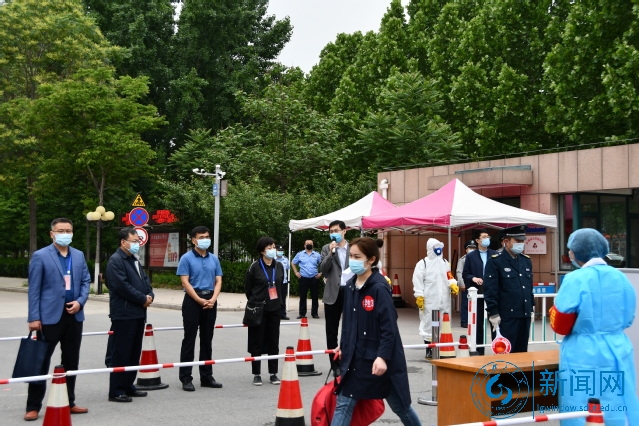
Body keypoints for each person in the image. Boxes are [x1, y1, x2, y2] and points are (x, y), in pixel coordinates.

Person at [551, 228, 639, 425]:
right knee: (618, 402)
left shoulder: (574, 279)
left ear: (576, 252)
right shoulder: (621, 278)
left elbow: (561, 324)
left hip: (582, 352)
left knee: (581, 406)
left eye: (570, 249)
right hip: (618, 347)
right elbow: (629, 318)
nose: (569, 253)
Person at [332, 237, 421, 426]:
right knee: (343, 404)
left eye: (357, 257)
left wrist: (382, 357)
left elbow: (389, 328)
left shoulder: (379, 288)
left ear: (371, 259)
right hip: (356, 359)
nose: (353, 260)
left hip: (379, 360)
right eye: (351, 256)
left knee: (401, 407)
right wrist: (343, 346)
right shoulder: (350, 286)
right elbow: (348, 322)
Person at [24, 218, 91, 421]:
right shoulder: (41, 256)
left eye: (68, 230)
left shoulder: (78, 255)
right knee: (41, 361)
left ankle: (69, 401)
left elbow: (86, 281)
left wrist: (80, 301)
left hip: (74, 315)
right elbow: (34, 289)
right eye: (61, 230)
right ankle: (33, 406)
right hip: (48, 317)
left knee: (71, 360)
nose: (65, 234)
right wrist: (34, 317)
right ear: (52, 234)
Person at [106, 227, 154, 402]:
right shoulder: (116, 260)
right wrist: (142, 299)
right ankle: (117, 390)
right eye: (134, 241)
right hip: (124, 313)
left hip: (138, 313)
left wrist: (150, 294)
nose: (137, 244)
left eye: (138, 241)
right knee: (121, 353)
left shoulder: (134, 259)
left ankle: (128, 385)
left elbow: (145, 281)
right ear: (123, 242)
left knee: (134, 352)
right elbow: (122, 286)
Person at [176, 226, 223, 392]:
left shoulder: (214, 259)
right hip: (193, 300)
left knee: (207, 340)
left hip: (210, 300)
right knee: (189, 339)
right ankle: (186, 377)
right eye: (201, 237)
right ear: (194, 240)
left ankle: (206, 376)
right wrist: (198, 299)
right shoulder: (186, 258)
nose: (205, 240)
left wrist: (213, 299)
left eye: (207, 237)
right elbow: (185, 282)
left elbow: (218, 281)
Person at [483, 225, 533, 353]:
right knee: (505, 354)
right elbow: (490, 289)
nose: (521, 244)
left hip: (523, 314)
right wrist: (493, 313)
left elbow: (528, 287)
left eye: (522, 241)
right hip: (505, 316)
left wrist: (531, 308)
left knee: (521, 353)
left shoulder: (526, 261)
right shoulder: (496, 261)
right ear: (506, 241)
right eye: (517, 241)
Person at [244, 236, 285, 386]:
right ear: (262, 251)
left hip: (274, 308)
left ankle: (273, 373)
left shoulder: (279, 266)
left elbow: (280, 286)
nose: (273, 250)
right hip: (258, 309)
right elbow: (248, 289)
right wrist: (257, 300)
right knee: (257, 342)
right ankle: (256, 373)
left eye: (273, 247)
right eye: (269, 248)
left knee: (273, 341)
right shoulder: (254, 267)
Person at [412, 238, 458, 359]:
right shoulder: (423, 263)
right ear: (430, 248)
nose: (439, 249)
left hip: (444, 299)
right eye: (436, 247)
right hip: (429, 299)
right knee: (429, 323)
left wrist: (453, 283)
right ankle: (429, 348)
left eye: (440, 247)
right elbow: (417, 281)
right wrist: (419, 295)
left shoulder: (445, 262)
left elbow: (449, 276)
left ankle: (441, 347)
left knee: (443, 323)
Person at [320, 220, 353, 376]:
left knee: (350, 328)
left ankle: (349, 362)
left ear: (344, 231)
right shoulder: (326, 248)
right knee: (331, 332)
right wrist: (331, 253)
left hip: (350, 292)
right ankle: (335, 366)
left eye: (336, 230)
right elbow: (323, 269)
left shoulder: (354, 247)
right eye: (331, 231)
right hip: (333, 293)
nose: (334, 234)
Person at [462, 229, 497, 355]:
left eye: (488, 236)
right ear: (477, 240)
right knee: (478, 322)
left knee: (495, 320)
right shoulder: (471, 256)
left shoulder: (495, 254)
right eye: (484, 237)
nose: (487, 239)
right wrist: (473, 278)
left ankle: (498, 347)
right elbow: (465, 274)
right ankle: (479, 349)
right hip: (478, 291)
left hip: (493, 291)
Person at [292, 239, 322, 319]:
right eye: (307, 243)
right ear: (304, 245)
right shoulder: (300, 254)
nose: (309, 244)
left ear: (313, 245)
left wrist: (321, 273)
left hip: (314, 278)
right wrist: (296, 272)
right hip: (303, 278)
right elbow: (293, 263)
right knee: (303, 296)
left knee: (315, 296)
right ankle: (302, 313)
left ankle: (314, 313)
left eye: (311, 243)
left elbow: (322, 264)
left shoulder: (317, 255)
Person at [456, 239, 477, 328]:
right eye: (470, 248)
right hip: (466, 283)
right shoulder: (463, 259)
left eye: (473, 248)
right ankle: (464, 321)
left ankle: (475, 321)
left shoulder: (478, 258)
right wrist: (461, 283)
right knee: (465, 303)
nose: (472, 249)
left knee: (477, 303)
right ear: (466, 249)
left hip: (476, 283)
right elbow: (459, 272)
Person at [275, 245, 290, 320]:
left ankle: (283, 314)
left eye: (281, 251)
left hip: (284, 282)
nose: (280, 252)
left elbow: (287, 268)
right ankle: (275, 314)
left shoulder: (285, 259)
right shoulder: (273, 259)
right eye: (279, 250)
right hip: (275, 282)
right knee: (274, 298)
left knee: (283, 298)